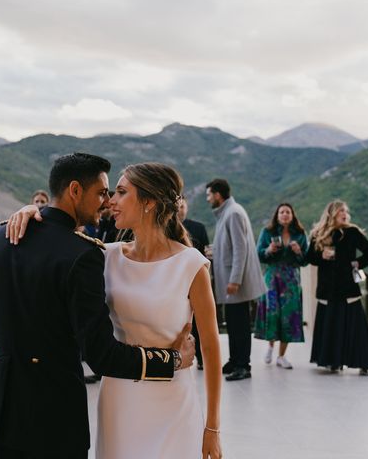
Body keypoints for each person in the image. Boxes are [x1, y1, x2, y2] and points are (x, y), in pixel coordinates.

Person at [0, 153, 196, 459]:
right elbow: (101, 355)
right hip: (54, 416)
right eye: (102, 192)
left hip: (0, 409)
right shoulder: (81, 255)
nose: (106, 202)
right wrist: (172, 361)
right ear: (75, 190)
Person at [95, 163, 222, 459]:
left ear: (149, 202)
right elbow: (58, 244)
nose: (111, 201)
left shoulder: (191, 264)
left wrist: (212, 428)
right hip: (119, 400)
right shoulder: (106, 255)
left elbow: (211, 348)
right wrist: (30, 214)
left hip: (173, 402)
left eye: (122, 192)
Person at [307, 200, 368, 375]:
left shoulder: (352, 232)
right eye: (341, 210)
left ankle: (364, 362)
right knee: (331, 325)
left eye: (346, 211)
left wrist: (357, 263)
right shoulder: (319, 233)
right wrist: (321, 255)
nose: (345, 213)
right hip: (328, 288)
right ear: (332, 213)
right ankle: (333, 361)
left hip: (348, 288)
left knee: (356, 326)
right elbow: (310, 257)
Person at [206, 178, 266, 381]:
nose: (208, 199)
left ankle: (243, 365)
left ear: (217, 195)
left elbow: (241, 249)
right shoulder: (228, 213)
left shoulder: (233, 213)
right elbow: (231, 246)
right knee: (232, 323)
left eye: (209, 195)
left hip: (235, 283)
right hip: (231, 282)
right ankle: (234, 359)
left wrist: (235, 280)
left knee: (239, 325)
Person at [255, 203, 308, 369]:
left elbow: (306, 260)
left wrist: (299, 251)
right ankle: (270, 347)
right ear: (277, 215)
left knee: (289, 316)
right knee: (273, 313)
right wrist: (269, 250)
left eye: (288, 212)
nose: (285, 214)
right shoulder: (267, 232)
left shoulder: (300, 234)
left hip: (291, 279)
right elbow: (259, 255)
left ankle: (282, 355)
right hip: (272, 278)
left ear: (292, 215)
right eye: (282, 212)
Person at [179, 195, 211, 370]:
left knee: (199, 321)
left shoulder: (198, 228)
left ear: (187, 207)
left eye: (183, 206)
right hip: (177, 281)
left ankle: (201, 357)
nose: (180, 210)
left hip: (195, 279)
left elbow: (205, 252)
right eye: (178, 207)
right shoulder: (166, 230)